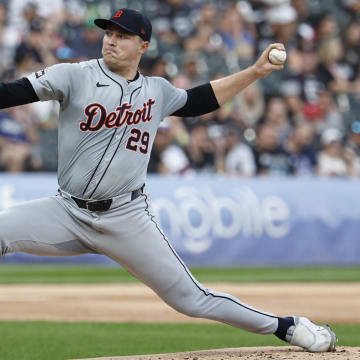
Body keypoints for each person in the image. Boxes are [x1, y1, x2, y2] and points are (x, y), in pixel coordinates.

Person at [0, 8, 336, 353]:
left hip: (125, 218)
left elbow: (198, 101)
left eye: (122, 36)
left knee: (192, 299)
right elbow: (11, 93)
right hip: (66, 212)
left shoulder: (156, 91)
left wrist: (254, 72)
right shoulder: (73, 75)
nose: (111, 41)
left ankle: (288, 326)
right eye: (109, 34)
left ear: (143, 45)